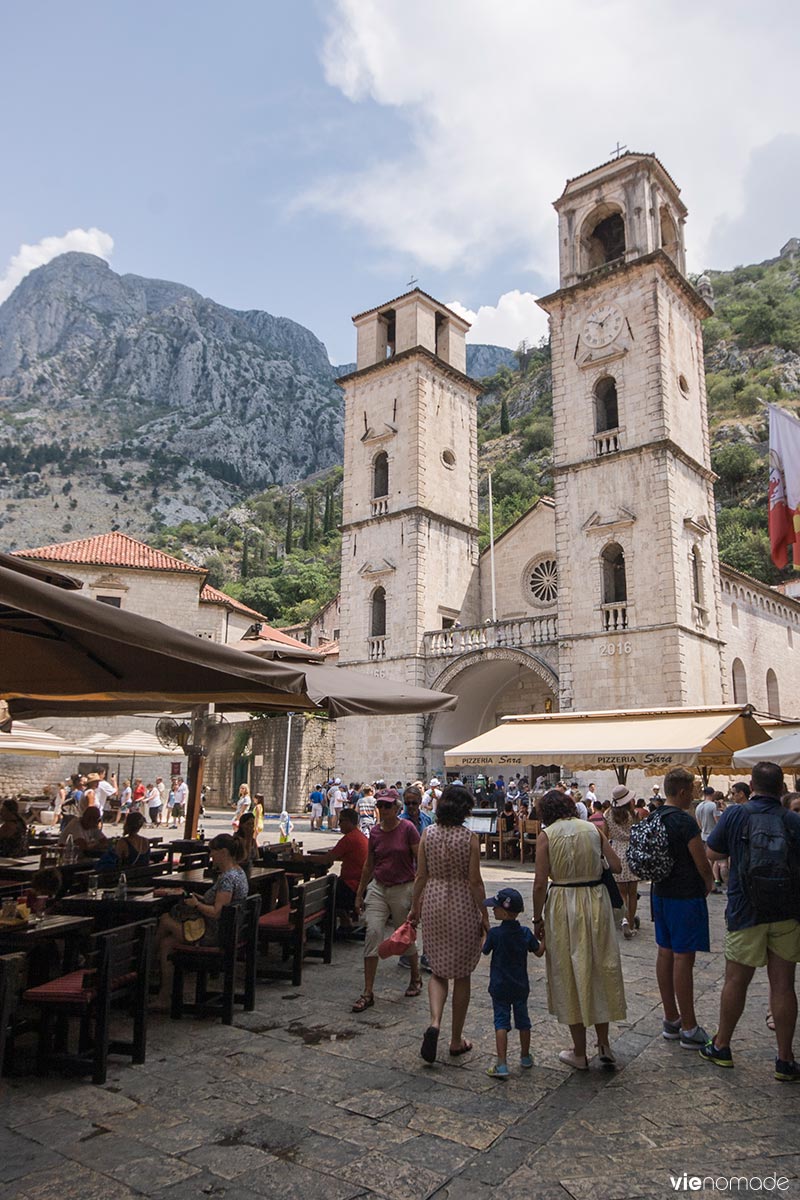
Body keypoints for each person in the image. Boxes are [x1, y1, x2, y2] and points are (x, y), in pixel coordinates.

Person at [701, 761, 800, 1080]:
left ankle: (722, 1045)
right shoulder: (791, 819)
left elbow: (712, 854)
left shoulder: (735, 814)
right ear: (781, 787)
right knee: (783, 985)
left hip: (745, 909)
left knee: (735, 981)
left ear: (752, 785)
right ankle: (785, 1059)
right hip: (786, 911)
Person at [532, 788, 626, 1069]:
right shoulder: (593, 830)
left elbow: (539, 883)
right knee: (599, 966)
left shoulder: (546, 836)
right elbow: (618, 866)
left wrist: (537, 920)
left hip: (563, 903)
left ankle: (579, 1051)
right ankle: (604, 1043)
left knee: (568, 970)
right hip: (596, 901)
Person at [409, 783, 488, 1062]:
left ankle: (434, 1022)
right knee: (462, 974)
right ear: (464, 810)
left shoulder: (427, 834)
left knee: (438, 971)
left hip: (433, 902)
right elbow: (475, 881)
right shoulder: (469, 838)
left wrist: (414, 908)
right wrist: (485, 913)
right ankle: (455, 1040)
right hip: (462, 904)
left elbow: (420, 876)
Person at [651, 767, 714, 1050]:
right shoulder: (684, 822)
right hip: (684, 895)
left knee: (665, 952)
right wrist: (709, 880)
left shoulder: (654, 817)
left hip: (659, 892)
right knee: (682, 958)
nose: (695, 795)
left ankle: (671, 1018)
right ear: (682, 791)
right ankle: (689, 1027)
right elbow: (701, 861)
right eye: (693, 790)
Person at [153, 833, 248, 1009]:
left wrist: (197, 905)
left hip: (213, 934)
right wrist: (201, 899)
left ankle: (147, 963)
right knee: (167, 943)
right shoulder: (239, 872)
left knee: (165, 919)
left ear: (223, 852)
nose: (210, 855)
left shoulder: (228, 878)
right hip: (226, 931)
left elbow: (217, 912)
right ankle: (164, 995)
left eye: (213, 851)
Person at [351, 788, 421, 1012]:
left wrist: (419, 896)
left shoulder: (408, 829)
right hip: (379, 888)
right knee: (372, 933)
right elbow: (369, 864)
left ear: (396, 808)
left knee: (403, 936)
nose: (382, 809)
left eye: (387, 805)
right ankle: (368, 992)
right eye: (380, 805)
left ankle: (415, 977)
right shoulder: (375, 832)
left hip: (403, 888)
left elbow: (420, 862)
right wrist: (360, 892)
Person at [482, 887, 545, 1078]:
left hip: (499, 986)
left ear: (504, 911)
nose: (492, 910)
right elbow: (539, 952)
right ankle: (525, 1057)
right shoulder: (525, 933)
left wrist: (483, 934)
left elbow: (484, 950)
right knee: (523, 1022)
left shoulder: (495, 934)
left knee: (501, 1023)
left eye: (495, 907)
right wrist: (545, 937)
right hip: (520, 986)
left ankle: (502, 1064)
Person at [312, 807, 368, 930]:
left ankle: (323, 925)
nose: (339, 824)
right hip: (360, 884)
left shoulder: (350, 838)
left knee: (320, 891)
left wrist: (302, 859)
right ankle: (344, 922)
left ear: (348, 822)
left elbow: (327, 858)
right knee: (330, 884)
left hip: (352, 886)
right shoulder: (360, 836)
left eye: (341, 821)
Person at [604, 785, 640, 939]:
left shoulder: (608, 814)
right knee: (633, 892)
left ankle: (624, 921)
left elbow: (605, 835)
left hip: (616, 851)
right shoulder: (633, 814)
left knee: (621, 893)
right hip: (632, 851)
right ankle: (631, 923)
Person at [696, 785, 724, 893]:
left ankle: (709, 884)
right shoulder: (713, 806)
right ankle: (713, 884)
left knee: (709, 861)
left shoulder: (699, 806)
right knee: (717, 862)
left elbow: (699, 823)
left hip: (703, 835)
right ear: (712, 794)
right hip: (713, 835)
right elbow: (718, 821)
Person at [234, 811, 260, 876]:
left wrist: (252, 840)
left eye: (252, 824)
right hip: (241, 870)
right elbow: (245, 859)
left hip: (252, 869)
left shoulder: (252, 840)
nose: (251, 826)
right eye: (248, 824)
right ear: (242, 825)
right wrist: (248, 839)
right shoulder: (237, 840)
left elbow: (257, 856)